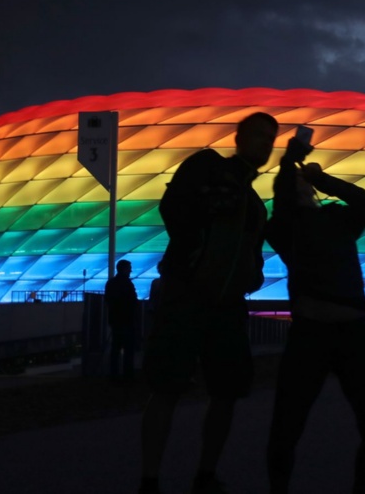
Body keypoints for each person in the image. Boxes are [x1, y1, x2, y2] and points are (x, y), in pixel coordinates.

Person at [139, 112, 278, 494]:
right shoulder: (206, 165)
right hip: (187, 293)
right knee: (166, 385)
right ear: (238, 137)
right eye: (258, 135)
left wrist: (254, 271)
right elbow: (174, 208)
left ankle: (205, 475)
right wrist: (193, 253)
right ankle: (149, 480)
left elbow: (253, 246)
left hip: (229, 302)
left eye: (271, 138)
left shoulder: (254, 202)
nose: (265, 143)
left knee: (228, 391)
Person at [265, 136, 365, 494]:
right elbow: (282, 200)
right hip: (310, 333)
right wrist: (290, 164)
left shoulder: (339, 217)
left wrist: (320, 178)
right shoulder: (283, 228)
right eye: (297, 183)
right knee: (286, 426)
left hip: (354, 331)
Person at [105, 259, 138, 381]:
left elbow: (108, 300)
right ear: (124, 269)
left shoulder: (111, 283)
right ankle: (127, 376)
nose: (131, 270)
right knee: (128, 350)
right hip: (127, 321)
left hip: (115, 321)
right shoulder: (127, 284)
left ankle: (114, 375)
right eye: (129, 268)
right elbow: (133, 301)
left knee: (116, 349)